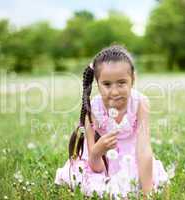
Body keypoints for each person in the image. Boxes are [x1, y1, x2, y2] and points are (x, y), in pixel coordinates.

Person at [55, 45, 169, 198]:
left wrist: (148, 194)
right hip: (102, 163)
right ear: (97, 83)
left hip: (131, 161)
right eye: (107, 84)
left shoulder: (140, 103)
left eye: (121, 83)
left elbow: (143, 150)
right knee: (90, 180)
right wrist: (97, 151)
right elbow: (96, 166)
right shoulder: (92, 109)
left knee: (143, 179)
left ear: (133, 79)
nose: (114, 92)